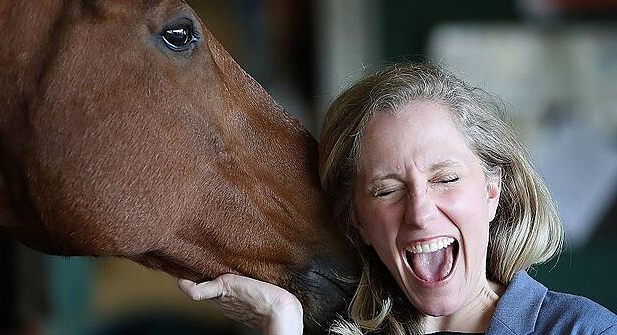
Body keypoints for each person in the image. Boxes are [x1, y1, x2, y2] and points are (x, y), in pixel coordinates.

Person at [178, 62, 617, 334]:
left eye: (445, 178)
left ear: (491, 191)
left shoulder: (583, 330)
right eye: (387, 190)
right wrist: (282, 321)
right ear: (358, 222)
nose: (421, 213)